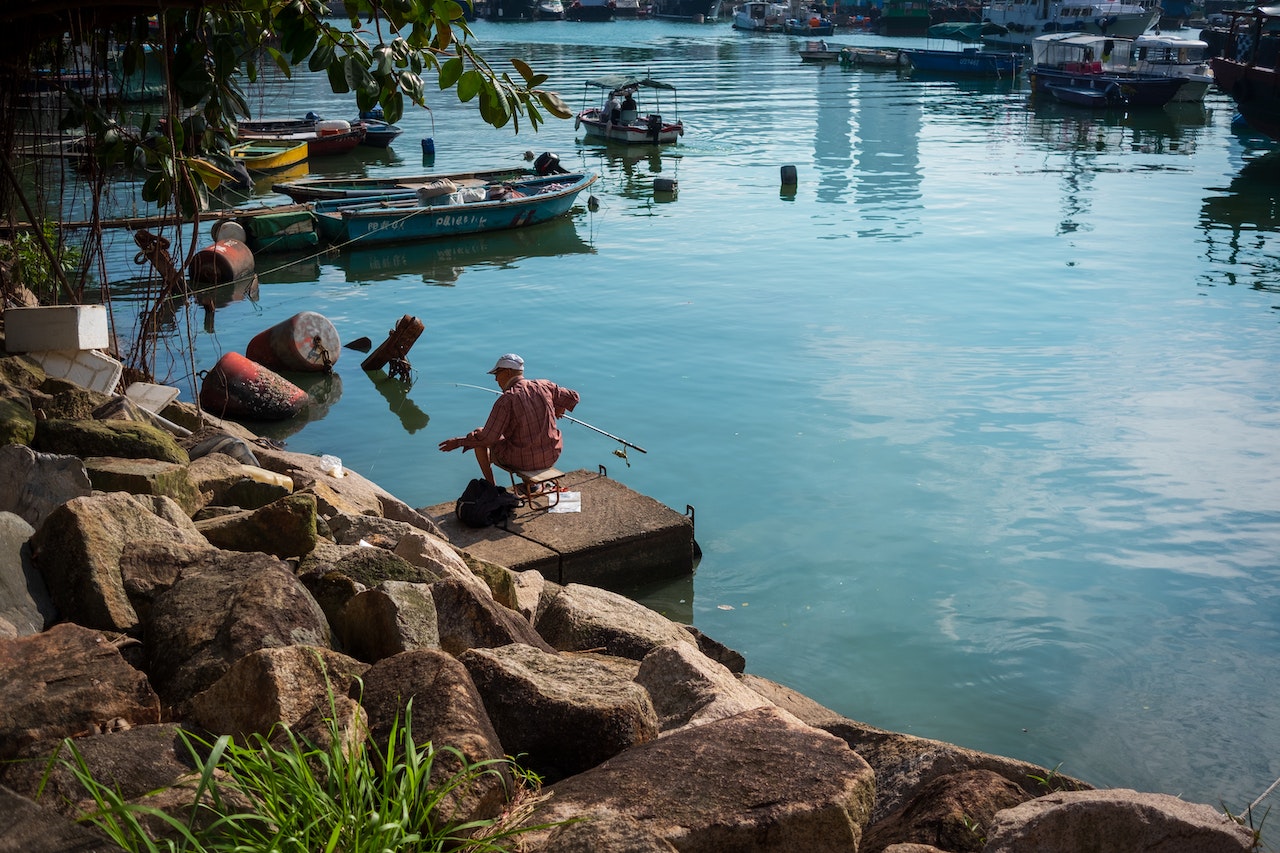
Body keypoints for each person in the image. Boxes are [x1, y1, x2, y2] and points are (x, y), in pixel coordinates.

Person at [438, 353, 580, 488]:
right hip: (551, 455)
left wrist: (458, 442)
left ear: (507, 372)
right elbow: (573, 397)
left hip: (523, 461)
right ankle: (531, 485)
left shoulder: (506, 400)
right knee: (525, 435)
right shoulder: (544, 386)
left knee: (478, 435)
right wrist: (559, 408)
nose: (495, 379)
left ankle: (492, 487)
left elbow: (488, 438)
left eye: (497, 374)